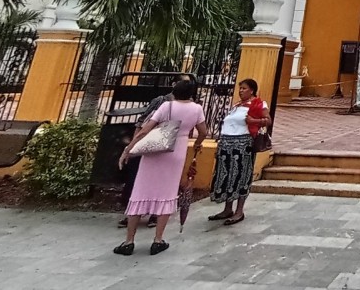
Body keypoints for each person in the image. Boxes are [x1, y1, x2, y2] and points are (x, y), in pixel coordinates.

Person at [114, 78, 208, 256]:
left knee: (140, 192)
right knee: (167, 193)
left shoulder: (167, 106)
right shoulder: (197, 108)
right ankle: (158, 240)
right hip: (177, 151)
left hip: (156, 150)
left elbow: (145, 129)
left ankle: (129, 241)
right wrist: (197, 144)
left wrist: (128, 149)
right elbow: (203, 132)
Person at [118, 74, 193, 229]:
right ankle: (134, 214)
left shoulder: (189, 106)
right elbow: (143, 123)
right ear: (174, 84)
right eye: (183, 83)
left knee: (159, 183)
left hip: (167, 148)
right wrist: (134, 145)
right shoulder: (162, 101)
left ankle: (153, 215)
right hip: (151, 146)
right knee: (140, 182)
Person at [209, 78, 270, 226]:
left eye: (244, 88)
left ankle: (239, 211)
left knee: (240, 176)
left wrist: (253, 121)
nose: (241, 90)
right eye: (240, 88)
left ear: (252, 90)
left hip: (243, 145)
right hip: (227, 144)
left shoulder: (258, 104)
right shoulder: (237, 105)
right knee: (227, 176)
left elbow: (267, 121)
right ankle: (227, 209)